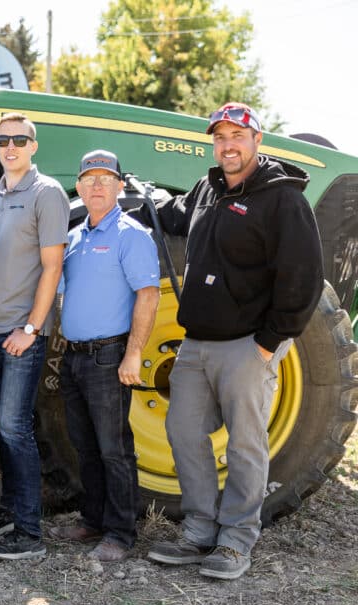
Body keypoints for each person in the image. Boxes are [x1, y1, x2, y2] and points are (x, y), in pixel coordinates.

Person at [145, 103, 323, 580]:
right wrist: (137, 198)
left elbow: (303, 278)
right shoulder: (208, 189)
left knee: (246, 444)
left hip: (247, 345)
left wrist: (267, 344)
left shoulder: (283, 200)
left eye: (237, 136)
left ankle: (237, 540)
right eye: (220, 136)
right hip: (196, 344)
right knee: (183, 432)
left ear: (257, 141)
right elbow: (178, 214)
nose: (228, 145)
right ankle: (200, 528)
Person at [43, 150, 160, 563]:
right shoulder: (75, 238)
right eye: (89, 178)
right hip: (74, 358)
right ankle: (93, 518)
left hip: (108, 356)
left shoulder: (132, 235)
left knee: (114, 448)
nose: (96, 185)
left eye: (105, 179)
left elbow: (149, 295)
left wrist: (133, 355)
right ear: (78, 187)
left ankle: (121, 532)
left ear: (119, 187)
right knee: (84, 445)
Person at [0, 112, 70, 560]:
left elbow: (53, 267)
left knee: (16, 428)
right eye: (2, 140)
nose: (9, 147)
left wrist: (31, 328)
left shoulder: (46, 193)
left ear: (33, 146)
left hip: (20, 335)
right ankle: (11, 509)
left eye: (18, 140)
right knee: (3, 428)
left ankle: (29, 534)